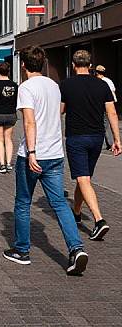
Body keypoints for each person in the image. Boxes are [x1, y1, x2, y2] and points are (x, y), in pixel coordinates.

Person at [3, 46, 88, 275]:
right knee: (60, 203)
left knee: (23, 203)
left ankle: (22, 251)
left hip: (34, 155)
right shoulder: (54, 86)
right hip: (55, 154)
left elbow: (30, 122)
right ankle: (76, 248)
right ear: (42, 64)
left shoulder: (26, 87)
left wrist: (31, 152)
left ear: (23, 65)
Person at [60, 50, 121, 240]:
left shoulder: (66, 84)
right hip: (97, 137)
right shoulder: (102, 85)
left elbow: (59, 111)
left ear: (73, 64)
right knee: (83, 177)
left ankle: (99, 220)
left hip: (77, 137)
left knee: (83, 178)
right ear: (90, 64)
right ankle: (77, 212)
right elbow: (112, 113)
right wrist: (117, 139)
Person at [94, 65, 118, 150]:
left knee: (103, 124)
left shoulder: (99, 81)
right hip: (111, 104)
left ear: (96, 72)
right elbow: (113, 91)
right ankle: (109, 143)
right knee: (107, 123)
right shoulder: (109, 80)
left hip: (102, 105)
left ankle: (110, 144)